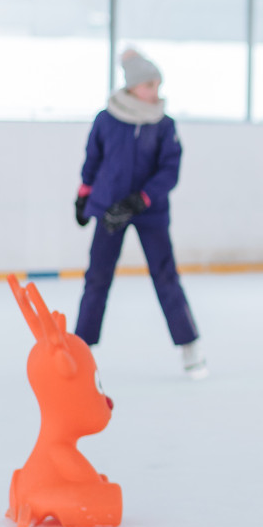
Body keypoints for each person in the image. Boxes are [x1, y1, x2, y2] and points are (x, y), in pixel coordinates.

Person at [73, 49, 206, 380]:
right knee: (97, 278)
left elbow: (170, 170)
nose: (155, 91)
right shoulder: (107, 119)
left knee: (165, 276)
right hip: (109, 209)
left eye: (157, 84)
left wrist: (141, 199)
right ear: (132, 85)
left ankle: (189, 346)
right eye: (149, 84)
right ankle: (82, 349)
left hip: (150, 211)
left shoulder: (163, 125)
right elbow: (93, 158)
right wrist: (84, 195)